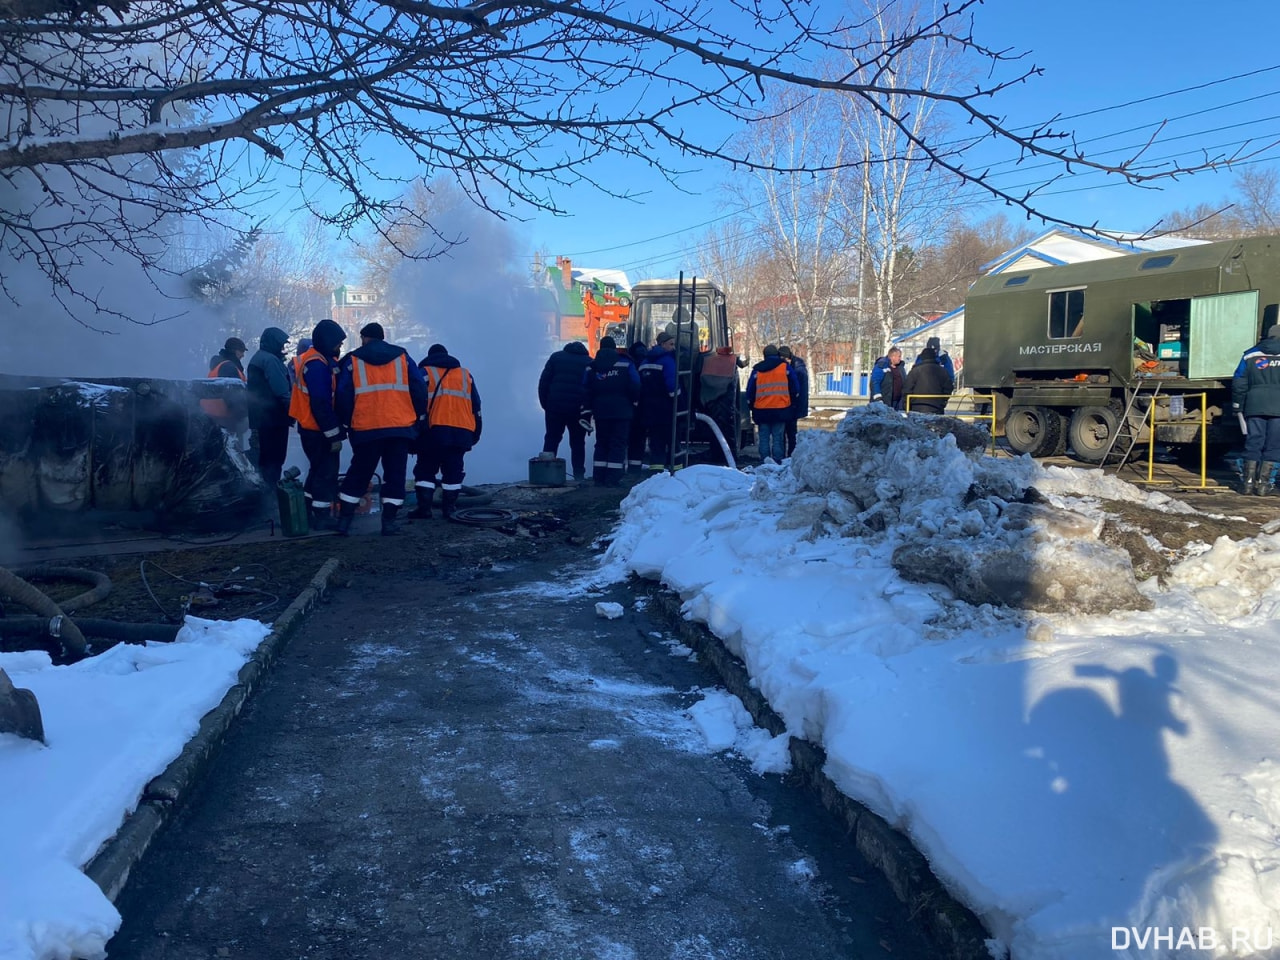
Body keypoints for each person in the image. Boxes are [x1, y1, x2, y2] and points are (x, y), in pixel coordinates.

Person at [334, 322, 427, 536]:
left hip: (366, 428)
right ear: (383, 337)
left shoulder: (353, 359)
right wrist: (419, 417)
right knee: (395, 475)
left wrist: (347, 422)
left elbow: (343, 395)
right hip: (399, 427)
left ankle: (344, 522)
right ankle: (389, 523)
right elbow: (419, 387)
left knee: (359, 473)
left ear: (364, 338)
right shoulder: (402, 357)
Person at [411, 343, 482, 521]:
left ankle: (424, 509)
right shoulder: (465, 375)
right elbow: (476, 406)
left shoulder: (425, 373)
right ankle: (449, 509)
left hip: (433, 432)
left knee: (426, 471)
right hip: (462, 431)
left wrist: (413, 430)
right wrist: (476, 432)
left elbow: (414, 400)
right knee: (453, 471)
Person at [288, 319, 346, 530]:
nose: (340, 347)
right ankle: (322, 516)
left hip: (311, 428)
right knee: (325, 472)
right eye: (338, 343)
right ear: (328, 341)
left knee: (317, 471)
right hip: (317, 429)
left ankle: (307, 509)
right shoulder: (317, 365)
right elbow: (321, 402)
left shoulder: (315, 360)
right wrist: (333, 434)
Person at [582, 336, 640, 486]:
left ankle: (599, 477)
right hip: (622, 411)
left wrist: (588, 409)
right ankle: (613, 478)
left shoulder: (591, 366)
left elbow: (585, 388)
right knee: (618, 443)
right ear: (615, 348)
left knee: (601, 443)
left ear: (600, 348)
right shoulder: (626, 364)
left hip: (600, 411)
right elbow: (635, 383)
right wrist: (634, 400)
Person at [1231, 323, 1280, 495]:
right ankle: (1265, 486)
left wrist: (1238, 404)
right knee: (1274, 445)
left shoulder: (1250, 354)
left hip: (1254, 404)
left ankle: (1247, 484)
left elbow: (1239, 381)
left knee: (1254, 442)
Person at [537, 339, 592, 482]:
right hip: (578, 410)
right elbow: (592, 389)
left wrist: (546, 405)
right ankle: (579, 475)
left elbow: (543, 383)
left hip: (555, 408)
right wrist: (587, 411)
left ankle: (545, 475)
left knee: (551, 439)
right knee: (578, 443)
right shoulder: (588, 362)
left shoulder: (556, 358)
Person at [246, 326, 292, 488]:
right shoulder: (270, 361)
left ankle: (264, 492)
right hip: (274, 418)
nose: (283, 348)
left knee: (264, 459)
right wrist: (295, 410)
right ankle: (271, 495)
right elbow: (281, 390)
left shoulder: (258, 358)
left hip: (261, 418)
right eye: (281, 344)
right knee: (275, 458)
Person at [746, 344, 798, 464]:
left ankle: (765, 461)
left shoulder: (757, 370)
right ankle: (777, 462)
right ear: (776, 355)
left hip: (761, 410)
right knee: (778, 438)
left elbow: (750, 390)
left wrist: (751, 405)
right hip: (781, 409)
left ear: (764, 356)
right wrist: (792, 402)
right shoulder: (785, 367)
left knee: (763, 438)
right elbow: (795, 386)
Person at [638, 330, 678, 470]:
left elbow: (639, 385)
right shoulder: (668, 361)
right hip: (665, 408)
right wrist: (678, 401)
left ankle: (656, 472)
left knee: (656, 441)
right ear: (663, 344)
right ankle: (678, 472)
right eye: (671, 344)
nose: (673, 347)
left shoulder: (644, 361)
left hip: (648, 409)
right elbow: (672, 385)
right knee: (673, 440)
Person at [200, 337, 249, 444]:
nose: (243, 355)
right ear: (235, 351)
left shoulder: (220, 365)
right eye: (241, 351)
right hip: (225, 417)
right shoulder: (229, 367)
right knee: (233, 450)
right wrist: (242, 415)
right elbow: (233, 395)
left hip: (213, 415)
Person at [778, 345, 809, 458]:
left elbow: (795, 389)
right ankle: (789, 455)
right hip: (790, 405)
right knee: (788, 433)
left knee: (789, 433)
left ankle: (789, 456)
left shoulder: (797, 370)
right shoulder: (799, 367)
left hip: (792, 405)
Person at [903, 346, 954, 415]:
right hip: (936, 407)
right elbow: (949, 387)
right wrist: (943, 402)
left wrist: (907, 405)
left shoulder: (915, 371)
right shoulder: (942, 371)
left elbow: (907, 389)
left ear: (922, 357)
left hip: (917, 407)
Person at [626, 341, 649, 474]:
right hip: (645, 408)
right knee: (639, 438)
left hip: (629, 408)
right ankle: (635, 468)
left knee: (627, 437)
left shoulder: (628, 364)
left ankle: (628, 467)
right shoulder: (649, 364)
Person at [870, 347, 907, 411]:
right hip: (884, 401)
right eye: (899, 356)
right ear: (892, 356)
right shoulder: (881, 366)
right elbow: (875, 382)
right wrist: (878, 398)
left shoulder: (901, 368)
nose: (900, 359)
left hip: (898, 403)